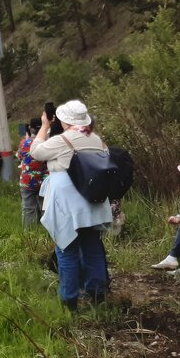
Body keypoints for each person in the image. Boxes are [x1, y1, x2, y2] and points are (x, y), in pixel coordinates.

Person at [29, 99, 113, 310]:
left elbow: (35, 152)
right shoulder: (96, 140)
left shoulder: (64, 140)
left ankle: (70, 301)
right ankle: (97, 297)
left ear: (64, 120)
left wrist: (45, 126)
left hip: (68, 204)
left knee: (67, 249)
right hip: (93, 201)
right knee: (93, 249)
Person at [17, 116, 47, 229]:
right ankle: (47, 231)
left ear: (30, 128)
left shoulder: (24, 143)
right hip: (44, 180)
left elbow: (19, 155)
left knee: (28, 207)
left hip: (27, 181)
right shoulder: (48, 141)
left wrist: (26, 139)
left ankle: (28, 233)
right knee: (44, 206)